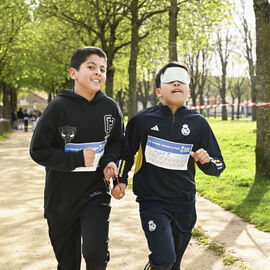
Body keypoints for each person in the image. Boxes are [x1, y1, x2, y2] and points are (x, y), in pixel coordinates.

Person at [113, 62, 226, 270]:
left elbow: (219, 164)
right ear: (158, 91)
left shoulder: (199, 123)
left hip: (185, 203)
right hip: (153, 201)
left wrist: (207, 161)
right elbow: (125, 155)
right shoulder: (141, 121)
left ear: (188, 91)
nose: (176, 83)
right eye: (170, 80)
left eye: (182, 80)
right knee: (164, 258)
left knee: (172, 265)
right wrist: (120, 180)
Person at [29, 46, 124, 270]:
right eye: (91, 67)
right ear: (73, 73)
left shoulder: (110, 107)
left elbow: (117, 141)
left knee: (96, 255)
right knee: (68, 264)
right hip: (60, 199)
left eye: (102, 69)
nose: (98, 73)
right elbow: (38, 150)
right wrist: (76, 160)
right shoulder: (57, 107)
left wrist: (110, 160)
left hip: (95, 192)